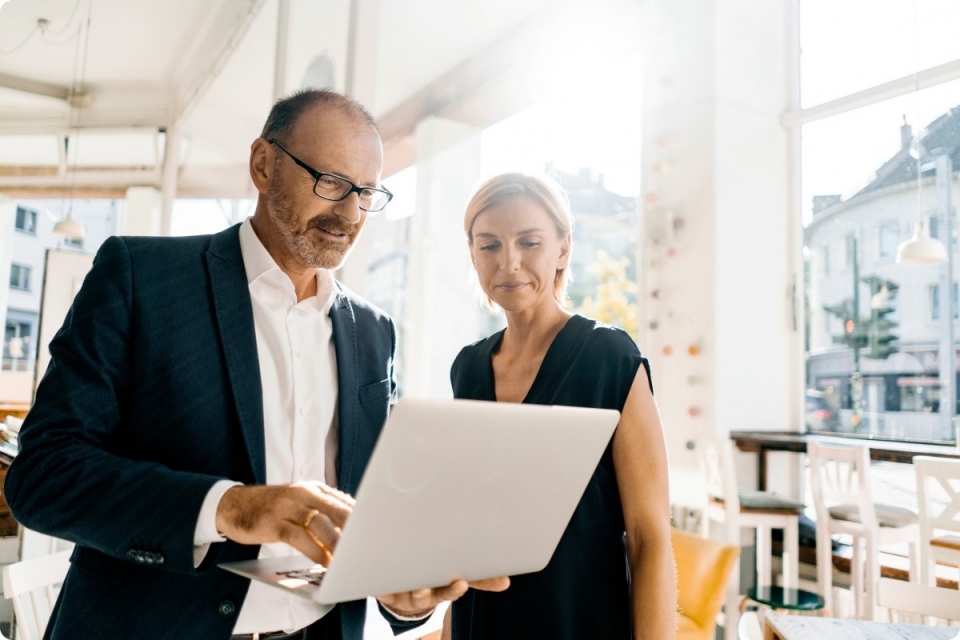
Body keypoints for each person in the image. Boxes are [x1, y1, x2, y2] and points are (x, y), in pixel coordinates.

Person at [5, 89, 504, 640]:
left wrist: (405, 594)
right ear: (263, 165)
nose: (348, 213)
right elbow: (42, 478)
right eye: (331, 181)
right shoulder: (139, 277)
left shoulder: (373, 332)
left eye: (365, 192)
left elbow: (368, 506)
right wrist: (233, 508)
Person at [445, 173, 677, 639]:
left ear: (563, 249)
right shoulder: (467, 368)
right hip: (480, 621)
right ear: (472, 254)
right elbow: (468, 534)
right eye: (489, 245)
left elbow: (650, 539)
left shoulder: (609, 357)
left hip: (576, 621)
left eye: (528, 242)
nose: (509, 262)